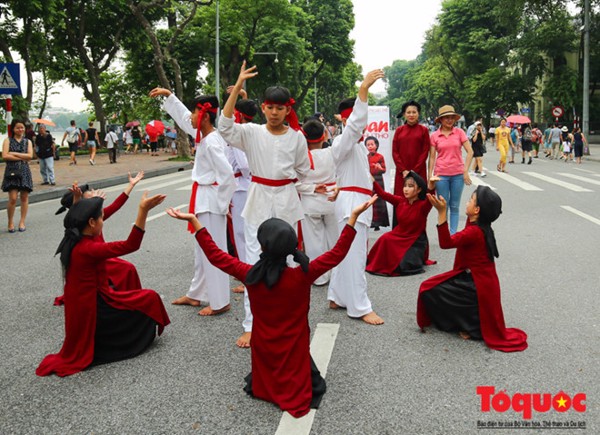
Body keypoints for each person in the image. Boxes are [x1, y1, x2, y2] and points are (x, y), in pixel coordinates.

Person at [166, 196, 376, 417]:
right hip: (294, 346)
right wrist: (352, 218)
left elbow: (217, 256)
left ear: (262, 245)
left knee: (267, 363)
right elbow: (337, 254)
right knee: (296, 366)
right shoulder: (302, 275)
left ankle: (266, 387)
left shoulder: (250, 274)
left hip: (264, 346)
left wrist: (196, 223)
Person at [218, 61, 312, 346]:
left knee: (284, 259)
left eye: (279, 108)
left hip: (285, 199)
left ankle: (282, 316)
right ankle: (251, 322)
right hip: (258, 197)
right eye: (269, 107)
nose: (274, 112)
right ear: (263, 109)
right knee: (252, 259)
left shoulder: (297, 138)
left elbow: (303, 172)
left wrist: (319, 190)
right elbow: (224, 126)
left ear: (288, 110)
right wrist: (237, 88)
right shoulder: (251, 133)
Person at [36, 193, 170, 377]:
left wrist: (77, 203)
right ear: (91, 223)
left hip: (88, 302)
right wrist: (143, 210)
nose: (103, 221)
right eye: (101, 218)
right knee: (150, 297)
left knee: (131, 279)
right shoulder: (88, 247)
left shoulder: (76, 239)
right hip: (95, 305)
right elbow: (131, 245)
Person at [149, 87, 236, 317]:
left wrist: (223, 204)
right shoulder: (205, 136)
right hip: (204, 200)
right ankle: (197, 293)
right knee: (201, 250)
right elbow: (185, 119)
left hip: (211, 202)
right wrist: (170, 96)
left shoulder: (212, 142)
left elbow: (227, 176)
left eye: (196, 114)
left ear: (205, 116)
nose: (192, 119)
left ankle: (220, 301)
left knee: (213, 251)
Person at [416, 186, 528, 352]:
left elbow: (445, 243)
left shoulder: (474, 232)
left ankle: (473, 328)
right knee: (434, 288)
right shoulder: (481, 224)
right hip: (480, 282)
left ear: (477, 210)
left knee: (428, 289)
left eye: (471, 200)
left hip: (477, 286)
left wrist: (441, 213)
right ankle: (466, 322)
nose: (467, 202)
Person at [326, 70, 386, 325]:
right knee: (355, 255)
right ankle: (360, 307)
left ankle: (338, 296)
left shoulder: (356, 144)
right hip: (352, 205)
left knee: (345, 254)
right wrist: (363, 89)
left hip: (354, 202)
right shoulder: (345, 139)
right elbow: (355, 125)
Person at [53, 173, 146, 306]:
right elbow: (76, 213)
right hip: (94, 256)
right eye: (88, 193)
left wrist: (131, 185)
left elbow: (116, 205)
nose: (92, 192)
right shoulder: (79, 221)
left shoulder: (94, 215)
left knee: (128, 269)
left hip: (101, 254)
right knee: (127, 268)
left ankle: (128, 296)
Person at [366, 172, 438, 276]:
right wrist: (372, 180)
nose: (406, 189)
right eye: (405, 186)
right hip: (398, 234)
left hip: (415, 240)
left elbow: (430, 198)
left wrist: (431, 186)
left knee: (403, 265)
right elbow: (382, 194)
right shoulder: (400, 201)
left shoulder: (423, 206)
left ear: (419, 190)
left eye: (410, 186)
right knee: (385, 238)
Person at [297, 119, 338, 286]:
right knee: (335, 240)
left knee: (314, 242)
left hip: (310, 203)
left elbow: (294, 182)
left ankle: (319, 276)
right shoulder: (333, 153)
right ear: (324, 135)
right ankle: (338, 274)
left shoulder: (300, 157)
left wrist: (313, 188)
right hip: (332, 199)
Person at [428, 105, 473, 235]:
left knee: (454, 206)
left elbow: (470, 152)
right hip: (441, 175)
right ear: (440, 120)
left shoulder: (460, 133)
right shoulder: (435, 135)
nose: (449, 120)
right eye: (446, 118)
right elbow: (431, 157)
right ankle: (444, 234)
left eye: (451, 118)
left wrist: (465, 172)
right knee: (443, 206)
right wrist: (429, 176)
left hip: (458, 175)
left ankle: (452, 234)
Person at [2, 119, 34, 232]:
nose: (20, 130)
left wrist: (14, 153)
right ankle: (10, 222)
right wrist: (22, 157)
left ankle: (22, 222)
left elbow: (30, 156)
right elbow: (5, 156)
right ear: (13, 129)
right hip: (11, 171)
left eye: (22, 127)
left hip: (24, 171)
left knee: (24, 197)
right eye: (18, 128)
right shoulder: (7, 141)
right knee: (13, 198)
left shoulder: (28, 142)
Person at [366, 136, 389, 230]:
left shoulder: (380, 157)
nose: (370, 146)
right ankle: (372, 220)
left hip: (378, 180)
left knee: (379, 200)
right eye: (368, 145)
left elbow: (384, 169)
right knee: (370, 199)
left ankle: (379, 222)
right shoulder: (366, 157)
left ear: (376, 145)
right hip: (369, 180)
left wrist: (380, 168)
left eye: (372, 144)